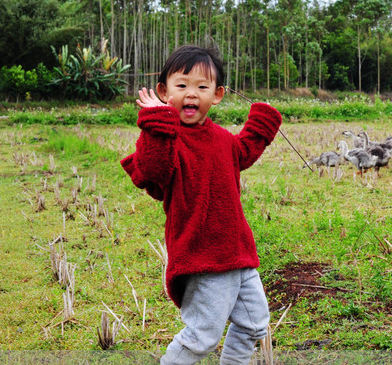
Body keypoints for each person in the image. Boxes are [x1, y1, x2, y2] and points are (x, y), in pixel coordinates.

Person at [120, 45, 282, 364]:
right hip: (202, 256)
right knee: (200, 338)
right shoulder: (166, 138)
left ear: (217, 95)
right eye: (181, 86)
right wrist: (156, 123)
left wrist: (262, 121)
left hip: (238, 252)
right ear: (164, 91)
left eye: (202, 87)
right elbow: (154, 170)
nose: (191, 94)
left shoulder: (221, 138)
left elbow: (243, 152)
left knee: (253, 325)